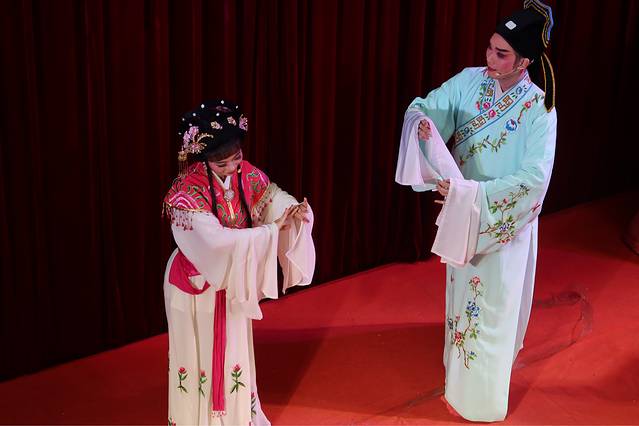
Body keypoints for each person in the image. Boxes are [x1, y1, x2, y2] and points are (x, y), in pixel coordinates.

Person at [395, 0, 557, 421]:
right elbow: (429, 107)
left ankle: (482, 399)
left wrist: (470, 195)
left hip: (503, 224)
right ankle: (458, 380)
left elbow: (533, 180)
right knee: (462, 303)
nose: (489, 58)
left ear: (524, 62)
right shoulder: (470, 81)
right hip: (465, 214)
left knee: (492, 311)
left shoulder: (539, 109)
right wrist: (423, 123)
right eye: (489, 47)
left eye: (501, 53)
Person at [162, 99, 315, 425]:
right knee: (196, 356)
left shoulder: (246, 175)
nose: (232, 168)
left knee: (234, 353)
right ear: (204, 160)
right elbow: (216, 243)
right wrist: (270, 231)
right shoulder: (185, 194)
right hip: (196, 288)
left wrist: (291, 211)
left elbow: (271, 198)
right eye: (222, 164)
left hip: (231, 281)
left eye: (237, 158)